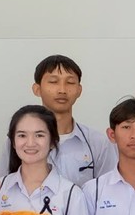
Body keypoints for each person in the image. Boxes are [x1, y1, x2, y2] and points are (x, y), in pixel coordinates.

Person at [33, 55, 113, 184]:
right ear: (37, 89)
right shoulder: (21, 141)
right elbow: (7, 186)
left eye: (70, 82)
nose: (62, 90)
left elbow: (107, 188)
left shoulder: (97, 143)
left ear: (79, 90)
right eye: (53, 82)